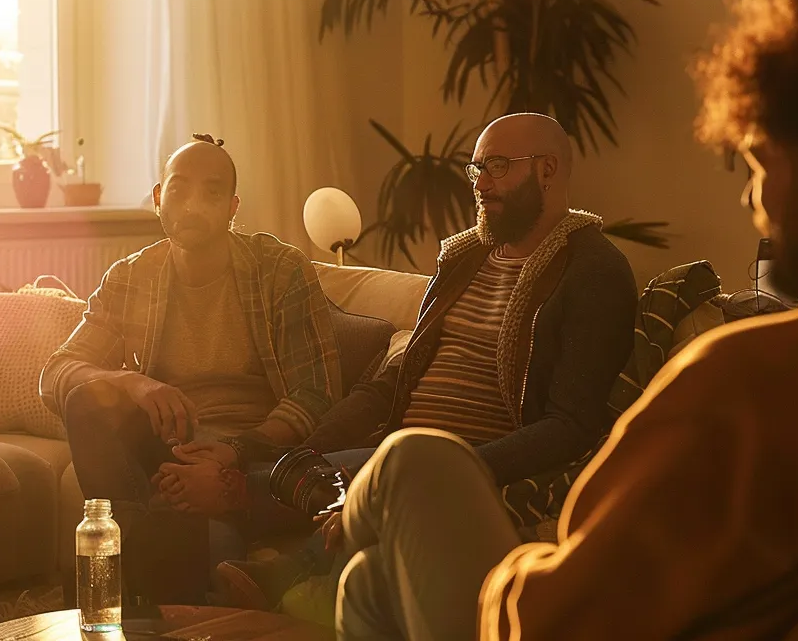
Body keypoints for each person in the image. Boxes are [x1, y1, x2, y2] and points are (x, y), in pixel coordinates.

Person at [335, 0, 798, 640]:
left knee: (413, 461)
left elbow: (559, 615)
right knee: (375, 583)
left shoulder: (752, 382)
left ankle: (331, 516)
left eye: (761, 169)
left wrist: (516, 569)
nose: (752, 203)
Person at [206, 113, 637, 610]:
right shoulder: (463, 259)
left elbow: (569, 424)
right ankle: (246, 583)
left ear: (547, 169)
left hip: (469, 462)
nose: (481, 184)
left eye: (497, 166)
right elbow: (395, 381)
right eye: (476, 169)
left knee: (254, 495)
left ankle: (290, 584)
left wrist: (443, 474)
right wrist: (310, 448)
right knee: (248, 486)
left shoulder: (593, 270)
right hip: (396, 450)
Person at [40, 133, 343, 605]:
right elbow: (57, 373)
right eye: (179, 189)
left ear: (232, 207)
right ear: (159, 198)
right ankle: (146, 551)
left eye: (212, 191)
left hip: (256, 450)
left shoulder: (280, 270)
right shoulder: (130, 277)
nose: (193, 204)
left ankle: (131, 579)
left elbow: (315, 396)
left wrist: (231, 451)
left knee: (191, 546)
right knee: (87, 399)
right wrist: (132, 381)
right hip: (165, 445)